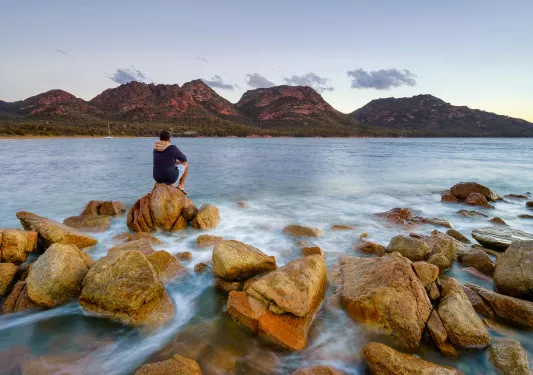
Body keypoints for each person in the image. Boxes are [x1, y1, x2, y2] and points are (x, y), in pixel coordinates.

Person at [153, 130, 189, 194]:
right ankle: (181, 186)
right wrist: (176, 161)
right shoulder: (172, 148)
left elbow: (163, 159)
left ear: (160, 139)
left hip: (157, 178)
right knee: (186, 164)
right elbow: (184, 159)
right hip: (170, 178)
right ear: (169, 139)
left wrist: (174, 161)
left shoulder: (156, 148)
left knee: (171, 166)